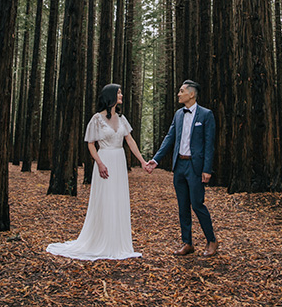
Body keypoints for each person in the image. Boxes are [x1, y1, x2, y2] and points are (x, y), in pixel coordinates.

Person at [46, 83, 148, 261]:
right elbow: (91, 144)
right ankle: (102, 241)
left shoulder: (122, 119)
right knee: (105, 200)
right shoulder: (97, 119)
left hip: (119, 160)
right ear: (110, 96)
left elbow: (130, 141)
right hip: (105, 160)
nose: (121, 95)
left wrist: (142, 161)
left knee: (118, 199)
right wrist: (99, 163)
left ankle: (118, 243)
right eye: (118, 93)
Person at [147, 80, 218, 257]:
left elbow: (209, 144)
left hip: (195, 167)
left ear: (191, 94)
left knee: (197, 204)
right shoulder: (178, 114)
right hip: (179, 166)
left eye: (182, 91)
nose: (178, 94)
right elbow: (170, 138)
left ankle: (212, 241)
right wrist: (156, 160)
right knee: (182, 206)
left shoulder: (206, 115)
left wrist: (207, 169)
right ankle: (187, 243)